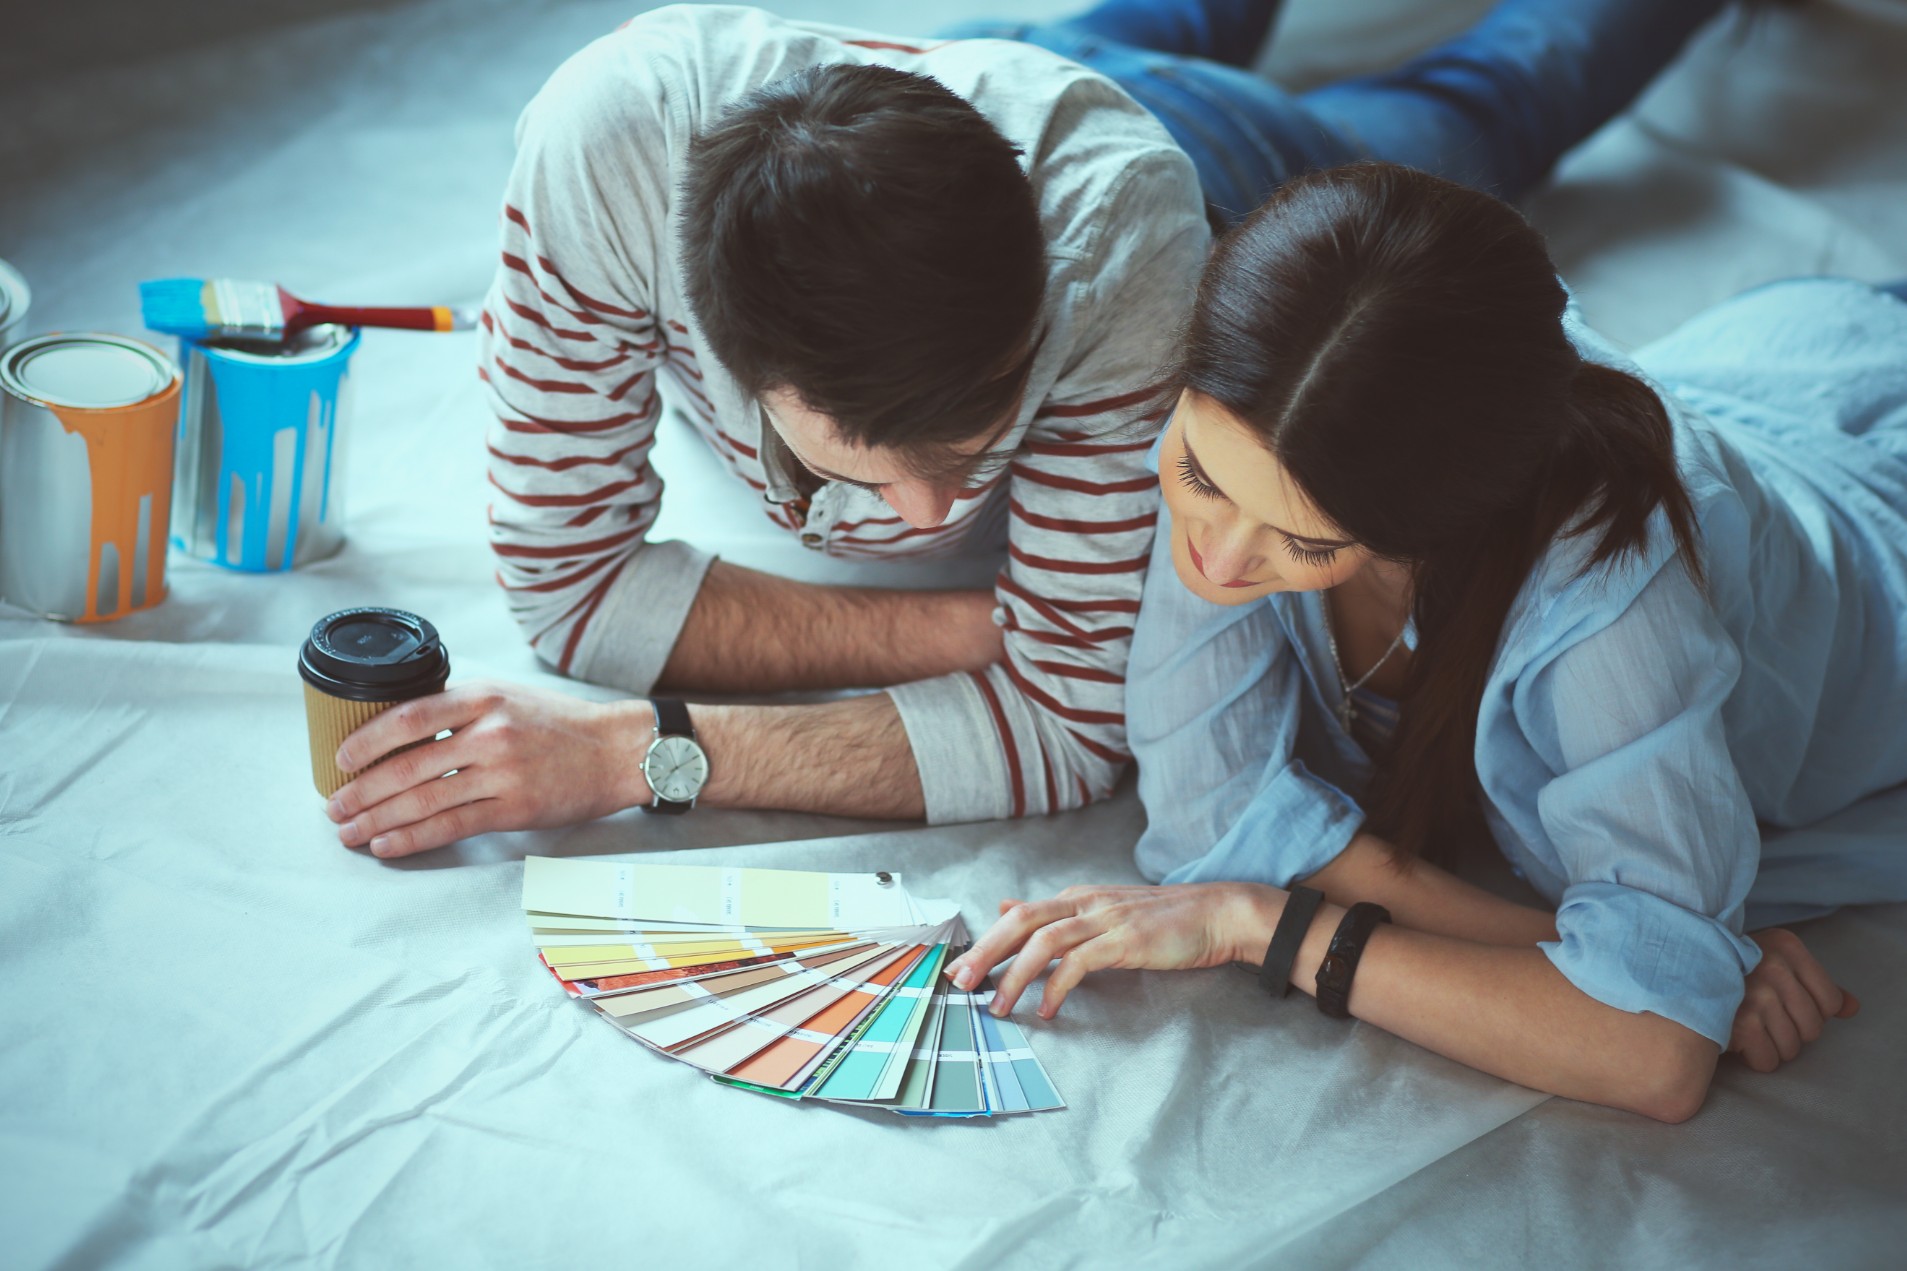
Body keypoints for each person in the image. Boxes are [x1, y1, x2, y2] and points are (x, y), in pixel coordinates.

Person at [322, 0, 1728, 857]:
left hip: (1205, 164)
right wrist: (989, 625)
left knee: (1480, 104)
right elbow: (570, 593)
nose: (928, 520)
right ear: (727, 346)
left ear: (1039, 312)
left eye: (970, 450)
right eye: (860, 467)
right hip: (912, 124)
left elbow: (1072, 733)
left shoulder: (1125, 267)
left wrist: (640, 752)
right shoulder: (600, 159)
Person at [946, 163, 1906, 1122]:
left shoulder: (1611, 585)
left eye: (1306, 541)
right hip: (1770, 375)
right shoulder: (1268, 410)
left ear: (1435, 522)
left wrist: (1264, 924)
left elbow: (1652, 1052)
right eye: (1198, 475)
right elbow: (1211, 812)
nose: (1219, 558)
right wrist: (1638, 962)